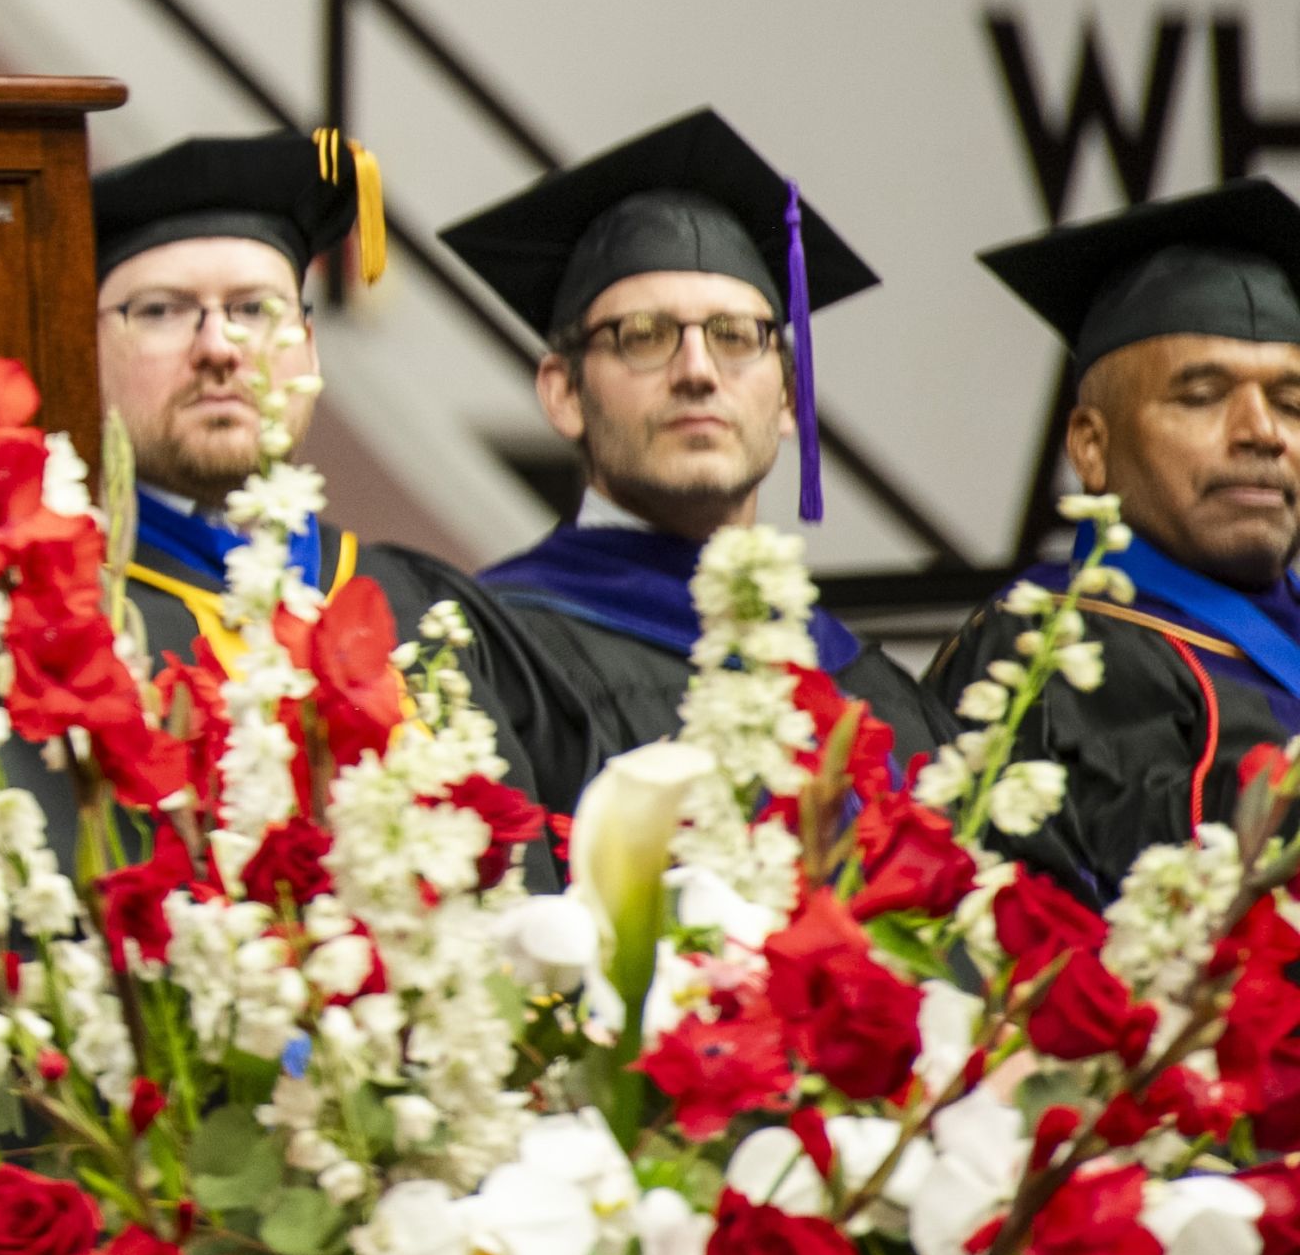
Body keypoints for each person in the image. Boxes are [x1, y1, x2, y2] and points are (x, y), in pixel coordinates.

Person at [441, 110, 955, 784]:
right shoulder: (497, 656)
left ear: (790, 402)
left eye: (736, 336)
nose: (697, 371)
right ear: (563, 392)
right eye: (645, 335)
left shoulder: (873, 691)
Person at [87, 130, 584, 805]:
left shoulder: (426, 608)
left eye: (253, 309)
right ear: (87, 353)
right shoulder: (59, 634)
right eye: (161, 311)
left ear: (310, 351)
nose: (218, 347)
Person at [929, 178, 1300, 899]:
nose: (1262, 432)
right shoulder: (1051, 648)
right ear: (1090, 446)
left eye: (1290, 403)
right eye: (1201, 396)